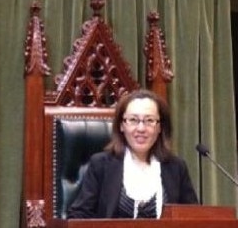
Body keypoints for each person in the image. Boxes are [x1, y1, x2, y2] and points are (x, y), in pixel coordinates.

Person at [67, 89, 198, 219]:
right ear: (121, 125)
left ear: (160, 127)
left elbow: (193, 218)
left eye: (149, 120)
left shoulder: (176, 167)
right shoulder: (101, 165)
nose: (141, 128)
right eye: (133, 120)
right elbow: (78, 216)